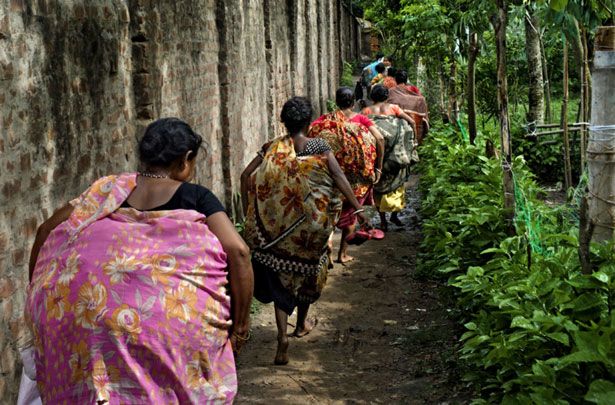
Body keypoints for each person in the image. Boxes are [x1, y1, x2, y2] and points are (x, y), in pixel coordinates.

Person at [25, 118, 254, 403]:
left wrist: (37, 293)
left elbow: (47, 230)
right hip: (166, 327)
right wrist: (241, 327)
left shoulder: (108, 192)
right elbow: (239, 252)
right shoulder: (196, 197)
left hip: (92, 323)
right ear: (186, 161)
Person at [241, 97, 371, 365]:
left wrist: (251, 212)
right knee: (308, 273)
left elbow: (245, 177)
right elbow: (338, 177)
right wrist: (357, 208)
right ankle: (300, 325)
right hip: (312, 227)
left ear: (283, 122)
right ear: (310, 122)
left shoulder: (271, 148)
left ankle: (282, 336)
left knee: (280, 278)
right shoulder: (318, 146)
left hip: (278, 228)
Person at [309, 87, 385, 264]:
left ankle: (327, 246)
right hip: (354, 178)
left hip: (329, 176)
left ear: (336, 101)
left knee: (328, 212)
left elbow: (310, 134)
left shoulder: (325, 120)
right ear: (353, 103)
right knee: (350, 211)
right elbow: (380, 138)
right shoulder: (362, 120)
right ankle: (342, 254)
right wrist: (378, 167)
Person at [362, 85, 418, 231]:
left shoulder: (366, 111)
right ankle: (394, 215)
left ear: (372, 97)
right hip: (395, 154)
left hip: (378, 154)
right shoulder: (394, 108)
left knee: (378, 186)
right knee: (397, 183)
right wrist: (414, 142)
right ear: (387, 96)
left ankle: (382, 221)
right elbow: (411, 122)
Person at [387, 70, 430, 143]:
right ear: (406, 80)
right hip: (413, 124)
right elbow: (420, 98)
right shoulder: (413, 90)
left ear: (395, 80)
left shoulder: (390, 92)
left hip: (395, 125)